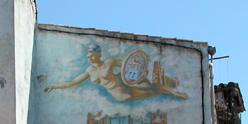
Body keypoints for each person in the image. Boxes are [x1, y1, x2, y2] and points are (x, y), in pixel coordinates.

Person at [44, 44, 188, 101]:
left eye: (92, 55)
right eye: (88, 56)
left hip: (122, 80)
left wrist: (139, 71)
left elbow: (129, 64)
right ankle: (170, 87)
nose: (90, 58)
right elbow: (73, 82)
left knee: (150, 85)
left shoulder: (110, 61)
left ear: (99, 53)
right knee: (150, 92)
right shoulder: (89, 70)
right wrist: (55, 86)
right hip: (117, 92)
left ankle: (175, 91)